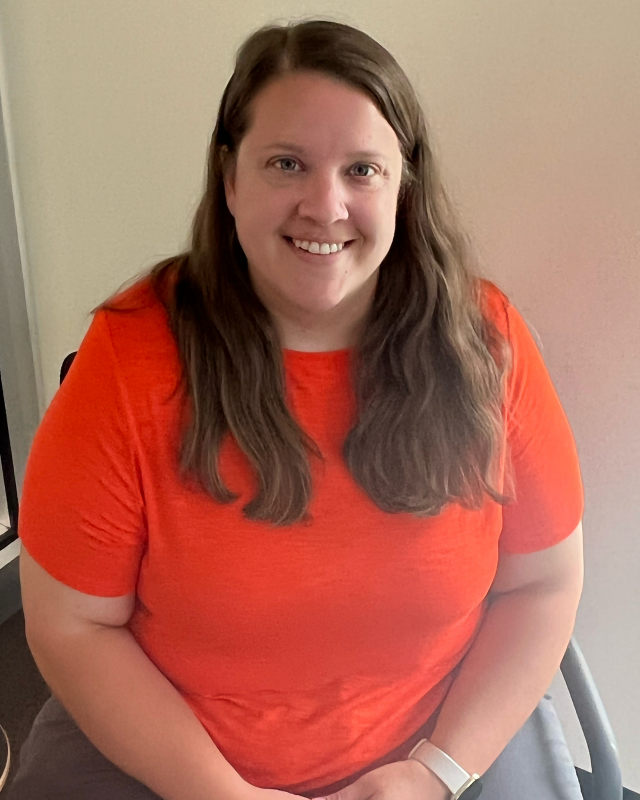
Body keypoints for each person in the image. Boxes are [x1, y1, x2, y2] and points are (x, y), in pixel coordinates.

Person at [9, 18, 584, 800]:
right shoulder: (128, 362)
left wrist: (436, 772)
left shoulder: (488, 347)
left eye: (362, 170)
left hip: (441, 742)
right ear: (231, 178)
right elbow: (73, 625)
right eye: (287, 163)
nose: (326, 205)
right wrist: (219, 794)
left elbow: (543, 585)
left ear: (403, 187)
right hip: (172, 753)